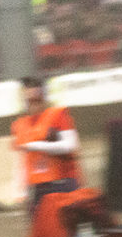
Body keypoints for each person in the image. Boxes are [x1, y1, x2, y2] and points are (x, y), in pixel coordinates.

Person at [11, 76, 81, 211]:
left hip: (62, 182)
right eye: (29, 99)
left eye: (36, 98)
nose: (32, 103)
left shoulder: (57, 114)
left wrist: (36, 146)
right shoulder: (19, 124)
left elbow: (71, 145)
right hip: (37, 187)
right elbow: (23, 161)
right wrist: (21, 190)